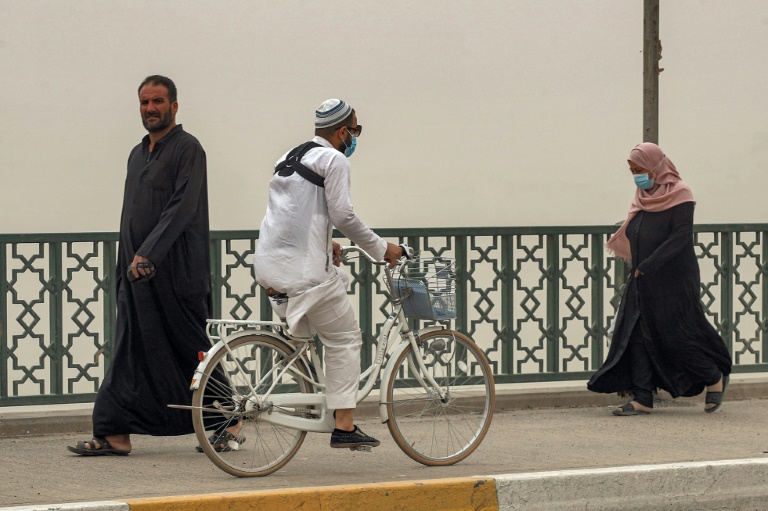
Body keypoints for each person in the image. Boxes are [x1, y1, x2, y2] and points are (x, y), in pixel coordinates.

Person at [68, 75, 234, 455]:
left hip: (175, 272)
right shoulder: (137, 152)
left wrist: (150, 253)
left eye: (158, 101)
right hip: (136, 274)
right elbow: (132, 214)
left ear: (174, 106)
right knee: (130, 347)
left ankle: (226, 417)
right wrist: (128, 261)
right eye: (144, 102)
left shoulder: (188, 149)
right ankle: (114, 431)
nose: (150, 109)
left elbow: (182, 207)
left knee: (190, 348)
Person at [253, 99, 402, 449]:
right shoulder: (334, 159)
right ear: (341, 132)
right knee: (345, 338)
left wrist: (327, 242)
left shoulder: (288, 156)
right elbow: (344, 214)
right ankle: (345, 425)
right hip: (305, 276)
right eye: (356, 130)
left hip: (269, 267)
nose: (355, 138)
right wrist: (383, 249)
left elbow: (293, 214)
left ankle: (238, 424)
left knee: (299, 342)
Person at [588, 142, 732, 416]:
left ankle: (713, 377)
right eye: (632, 170)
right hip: (643, 276)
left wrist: (650, 264)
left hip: (674, 277)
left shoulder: (681, 193)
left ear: (655, 166)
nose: (636, 175)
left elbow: (680, 236)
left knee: (677, 334)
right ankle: (643, 397)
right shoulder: (641, 195)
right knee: (638, 333)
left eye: (640, 169)